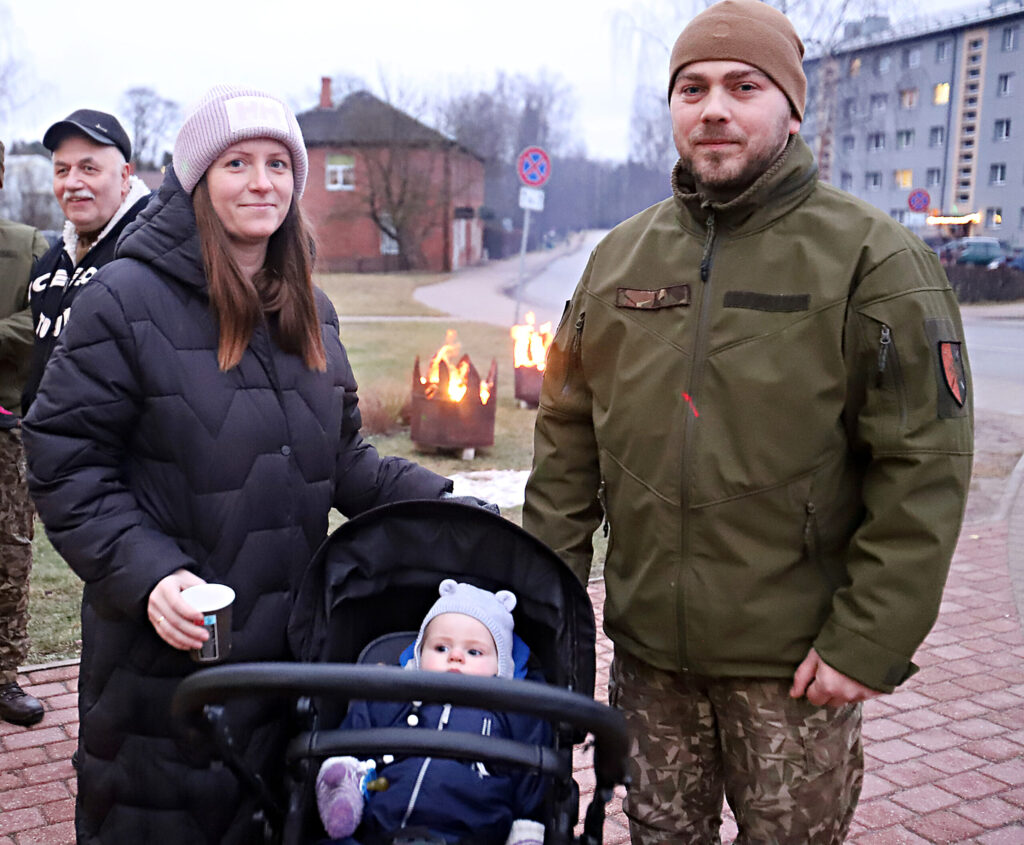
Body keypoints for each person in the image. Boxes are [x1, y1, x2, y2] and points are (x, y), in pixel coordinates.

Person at [522, 1, 973, 842]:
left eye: (744, 86)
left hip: (794, 670)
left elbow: (923, 467)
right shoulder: (619, 259)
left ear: (791, 108)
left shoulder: (874, 260)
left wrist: (866, 639)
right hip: (650, 662)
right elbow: (566, 441)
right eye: (692, 88)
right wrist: (543, 608)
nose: (715, 109)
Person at [23, 84, 453, 845]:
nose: (262, 182)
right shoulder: (124, 299)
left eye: (278, 164)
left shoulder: (311, 308)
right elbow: (66, 459)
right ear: (196, 178)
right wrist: (150, 573)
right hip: (167, 671)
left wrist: (448, 504)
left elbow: (342, 458)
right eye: (237, 163)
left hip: (290, 663)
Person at [316, 579, 548, 845]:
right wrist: (344, 772)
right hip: (380, 826)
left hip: (474, 830)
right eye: (441, 648)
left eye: (474, 651)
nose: (455, 656)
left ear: (500, 666)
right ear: (420, 655)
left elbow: (532, 776)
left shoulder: (512, 710)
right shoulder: (395, 696)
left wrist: (527, 829)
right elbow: (355, 736)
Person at [21, 109, 150, 413]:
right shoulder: (50, 263)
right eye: (62, 170)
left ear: (124, 177)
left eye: (88, 169)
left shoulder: (153, 252)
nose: (72, 183)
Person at [0, 139, 50, 726]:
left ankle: (4, 676)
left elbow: (43, 315)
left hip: (5, 427)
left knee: (9, 555)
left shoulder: (27, 245)